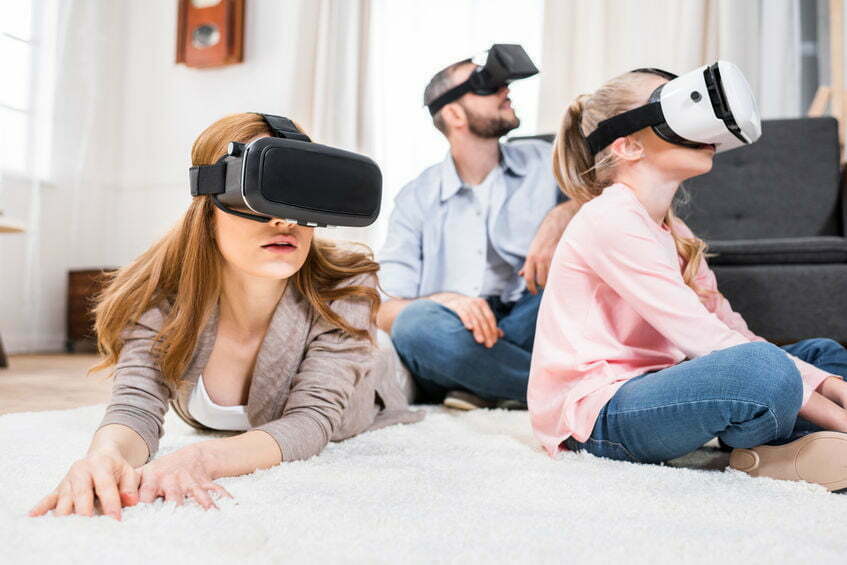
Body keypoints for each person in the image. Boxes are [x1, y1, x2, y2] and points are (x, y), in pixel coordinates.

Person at [30, 113, 422, 520]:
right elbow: (135, 407)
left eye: (295, 196)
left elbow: (311, 422)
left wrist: (201, 458)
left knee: (433, 349)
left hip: (388, 368)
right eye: (259, 194)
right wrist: (105, 456)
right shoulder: (159, 296)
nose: (283, 220)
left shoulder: (346, 285)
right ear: (209, 198)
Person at [529, 68, 847, 490]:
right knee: (764, 370)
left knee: (822, 354)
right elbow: (703, 338)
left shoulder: (676, 232)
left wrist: (828, 383)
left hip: (664, 381)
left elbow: (729, 329)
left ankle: (782, 444)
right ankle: (795, 438)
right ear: (627, 145)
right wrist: (836, 411)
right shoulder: (609, 218)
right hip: (599, 412)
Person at [378, 55, 580, 411]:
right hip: (455, 332)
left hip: (531, 316)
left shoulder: (546, 161)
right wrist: (446, 301)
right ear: (454, 114)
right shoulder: (416, 197)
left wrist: (562, 214)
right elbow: (384, 312)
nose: (505, 90)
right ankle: (573, 391)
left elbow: (609, 202)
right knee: (414, 325)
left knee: (576, 279)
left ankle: (483, 383)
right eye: (486, 85)